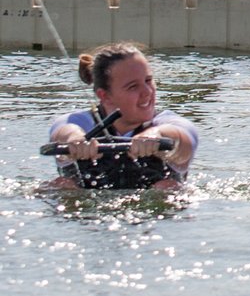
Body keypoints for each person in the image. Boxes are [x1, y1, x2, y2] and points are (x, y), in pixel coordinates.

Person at [45, 43, 199, 190]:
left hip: (151, 212)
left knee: (168, 187)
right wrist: (74, 140)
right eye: (133, 86)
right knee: (61, 185)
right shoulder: (79, 122)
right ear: (104, 95)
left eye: (148, 81)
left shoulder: (169, 123)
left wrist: (156, 135)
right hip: (88, 212)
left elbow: (183, 143)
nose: (147, 92)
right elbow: (62, 132)